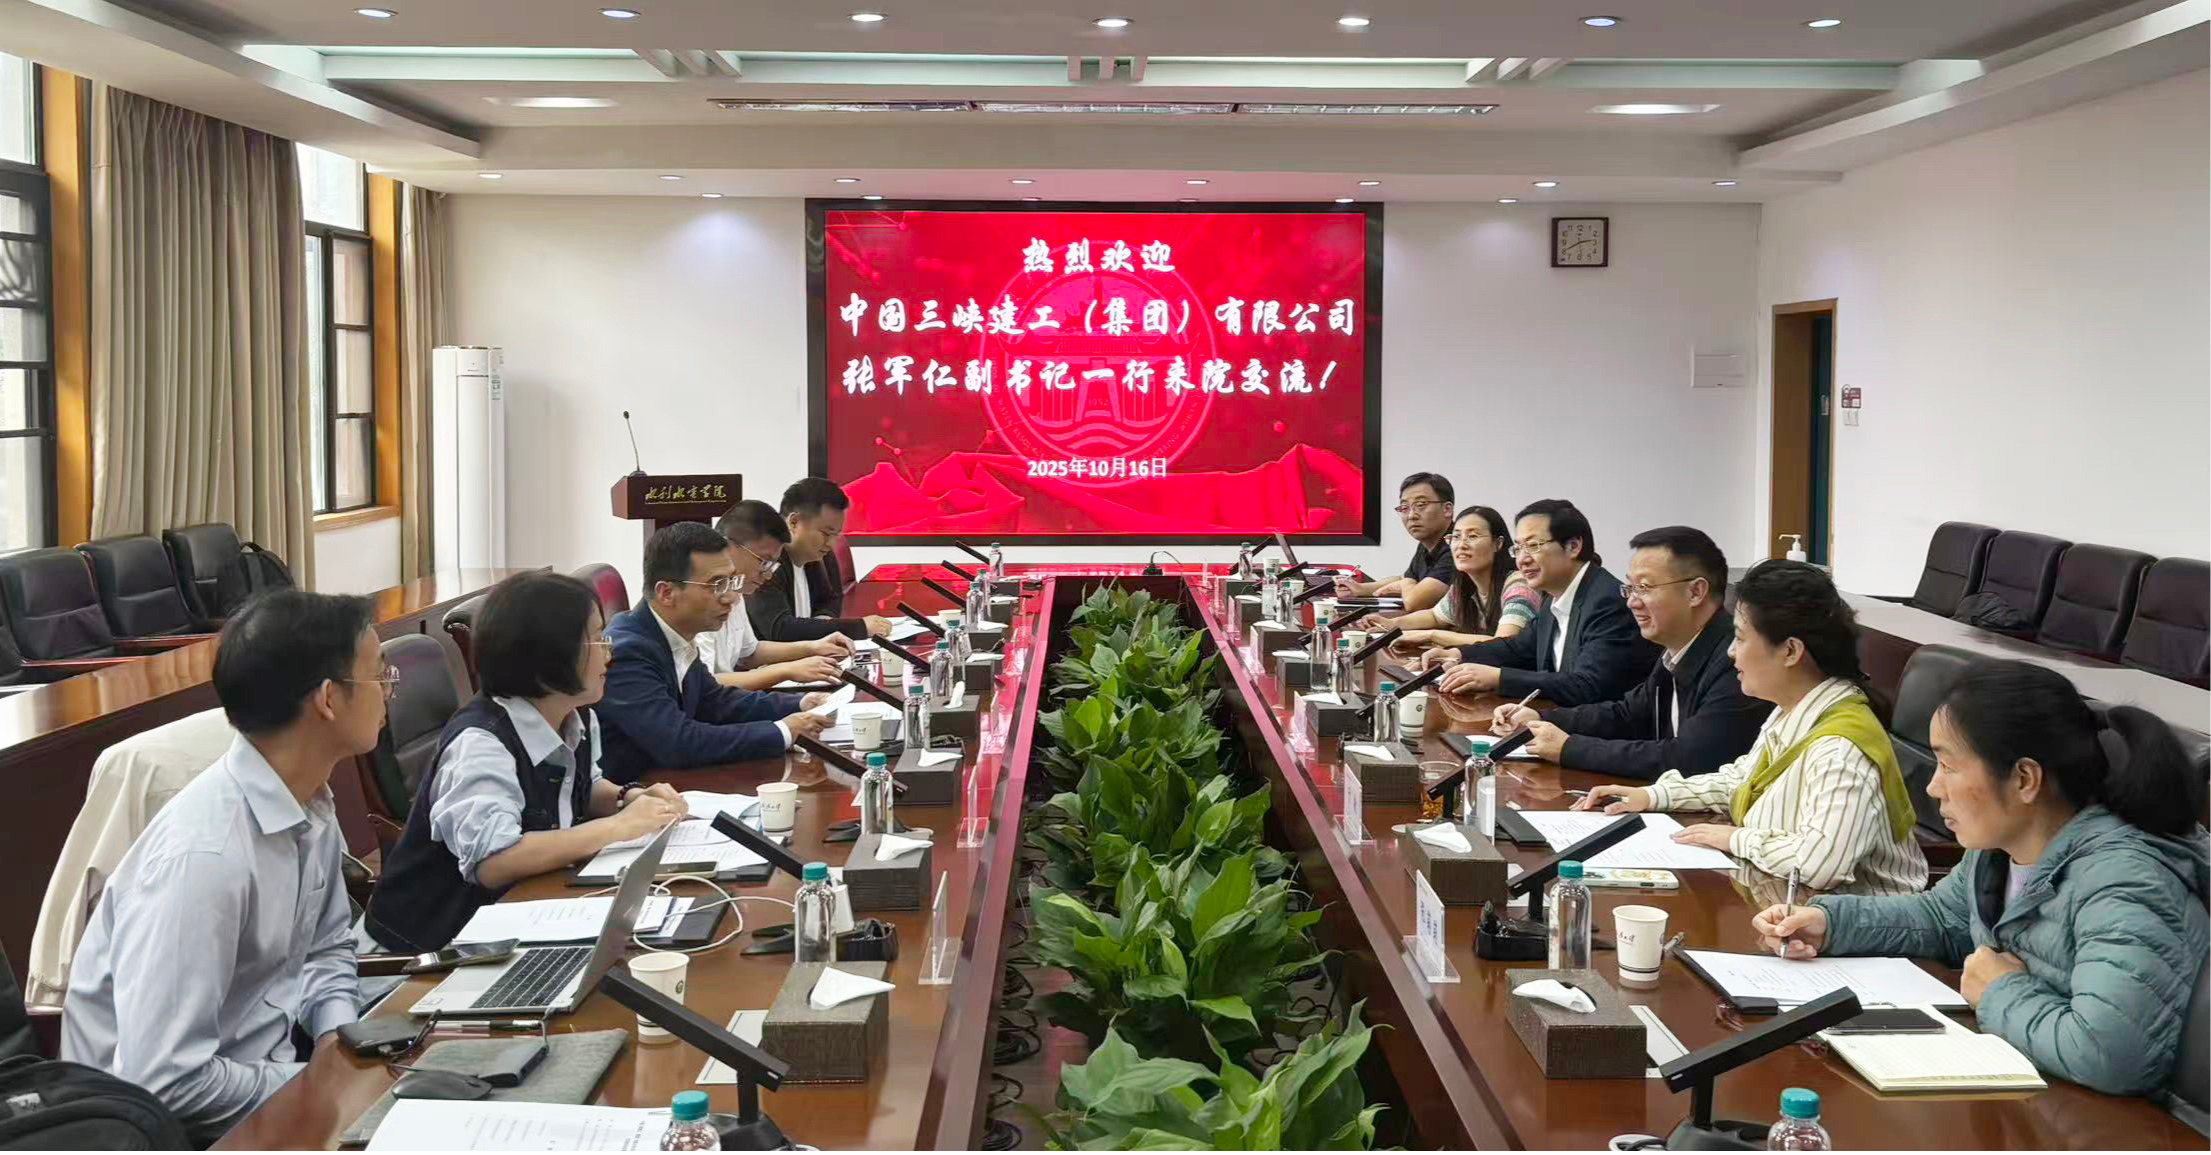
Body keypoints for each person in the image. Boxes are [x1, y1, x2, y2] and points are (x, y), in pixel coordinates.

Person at [1752, 661, 2208, 1097]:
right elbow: (1940, 918)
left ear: (2024, 779)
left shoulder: (2124, 882)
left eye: (1949, 766)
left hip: (2122, 1124)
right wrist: (1829, 923)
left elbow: (2110, 1055)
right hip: (2034, 1083)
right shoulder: (2000, 850)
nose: (1932, 786)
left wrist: (1998, 991)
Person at [62, 591, 384, 1141]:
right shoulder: (204, 859)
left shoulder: (310, 802)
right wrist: (317, 1085)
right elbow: (165, 1082)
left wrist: (337, 1045)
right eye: (379, 674)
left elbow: (326, 948)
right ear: (329, 699)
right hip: (164, 1132)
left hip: (268, 1084)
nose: (389, 690)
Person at [362, 571, 688, 953]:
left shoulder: (575, 716)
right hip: (422, 952)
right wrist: (619, 827)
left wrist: (627, 798)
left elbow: (580, 787)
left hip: (512, 920)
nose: (609, 652)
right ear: (551, 654)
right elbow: (494, 860)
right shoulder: (481, 742)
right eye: (597, 639)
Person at [1578, 560, 1928, 896]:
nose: (1731, 652)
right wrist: (1653, 796)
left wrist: (1734, 838)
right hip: (1787, 901)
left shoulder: (1839, 748)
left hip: (1860, 925)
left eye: (1741, 639)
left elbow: (1821, 864)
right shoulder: (1792, 710)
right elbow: (1741, 780)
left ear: (1790, 651)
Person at [1490, 526, 1770, 777]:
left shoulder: (1736, 661)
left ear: (1695, 592)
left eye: (1644, 588)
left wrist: (1569, 748)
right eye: (1630, 588)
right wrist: (1540, 719)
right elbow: (1627, 714)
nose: (1632, 602)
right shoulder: (1676, 650)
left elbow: (1689, 759)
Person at [597, 522, 832, 782]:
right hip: (637, 793)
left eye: (731, 582)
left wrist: (800, 703)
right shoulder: (628, 651)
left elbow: (715, 701)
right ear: (667, 593)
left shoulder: (675, 634)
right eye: (717, 585)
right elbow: (678, 742)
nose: (732, 597)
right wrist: (782, 732)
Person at [1435, 499, 1656, 706]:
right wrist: (1458, 654)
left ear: (1573, 546)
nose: (1522, 559)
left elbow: (1587, 685)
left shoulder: (1607, 601)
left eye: (1533, 546)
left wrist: (1499, 678)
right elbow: (1519, 648)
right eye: (1518, 548)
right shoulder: (1555, 596)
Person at [706, 500, 850, 691]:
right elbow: (704, 684)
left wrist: (813, 647)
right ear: (728, 546)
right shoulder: (699, 597)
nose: (767, 575)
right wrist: (786, 670)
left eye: (772, 565)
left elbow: (750, 652)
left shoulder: (735, 590)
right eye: (764, 562)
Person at [746, 478, 892, 643]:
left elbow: (831, 599)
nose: (831, 543)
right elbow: (779, 628)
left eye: (835, 534)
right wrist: (859, 628)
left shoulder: (820, 555)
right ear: (794, 522)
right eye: (826, 533)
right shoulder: (766, 562)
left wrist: (823, 624)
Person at [1384, 505, 1539, 650]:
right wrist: (1390, 624)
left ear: (1497, 544)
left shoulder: (1519, 585)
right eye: (1456, 537)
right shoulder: (1464, 585)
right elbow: (1435, 616)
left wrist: (1432, 635)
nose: (1461, 545)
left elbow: (1503, 643)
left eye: (1472, 536)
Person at [1334, 472, 1455, 615]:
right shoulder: (1428, 543)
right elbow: (1409, 579)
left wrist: (1405, 584)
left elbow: (1415, 602)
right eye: (1404, 507)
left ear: (1447, 509)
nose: (1411, 515)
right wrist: (1361, 589)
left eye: (1421, 504)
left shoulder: (1457, 546)